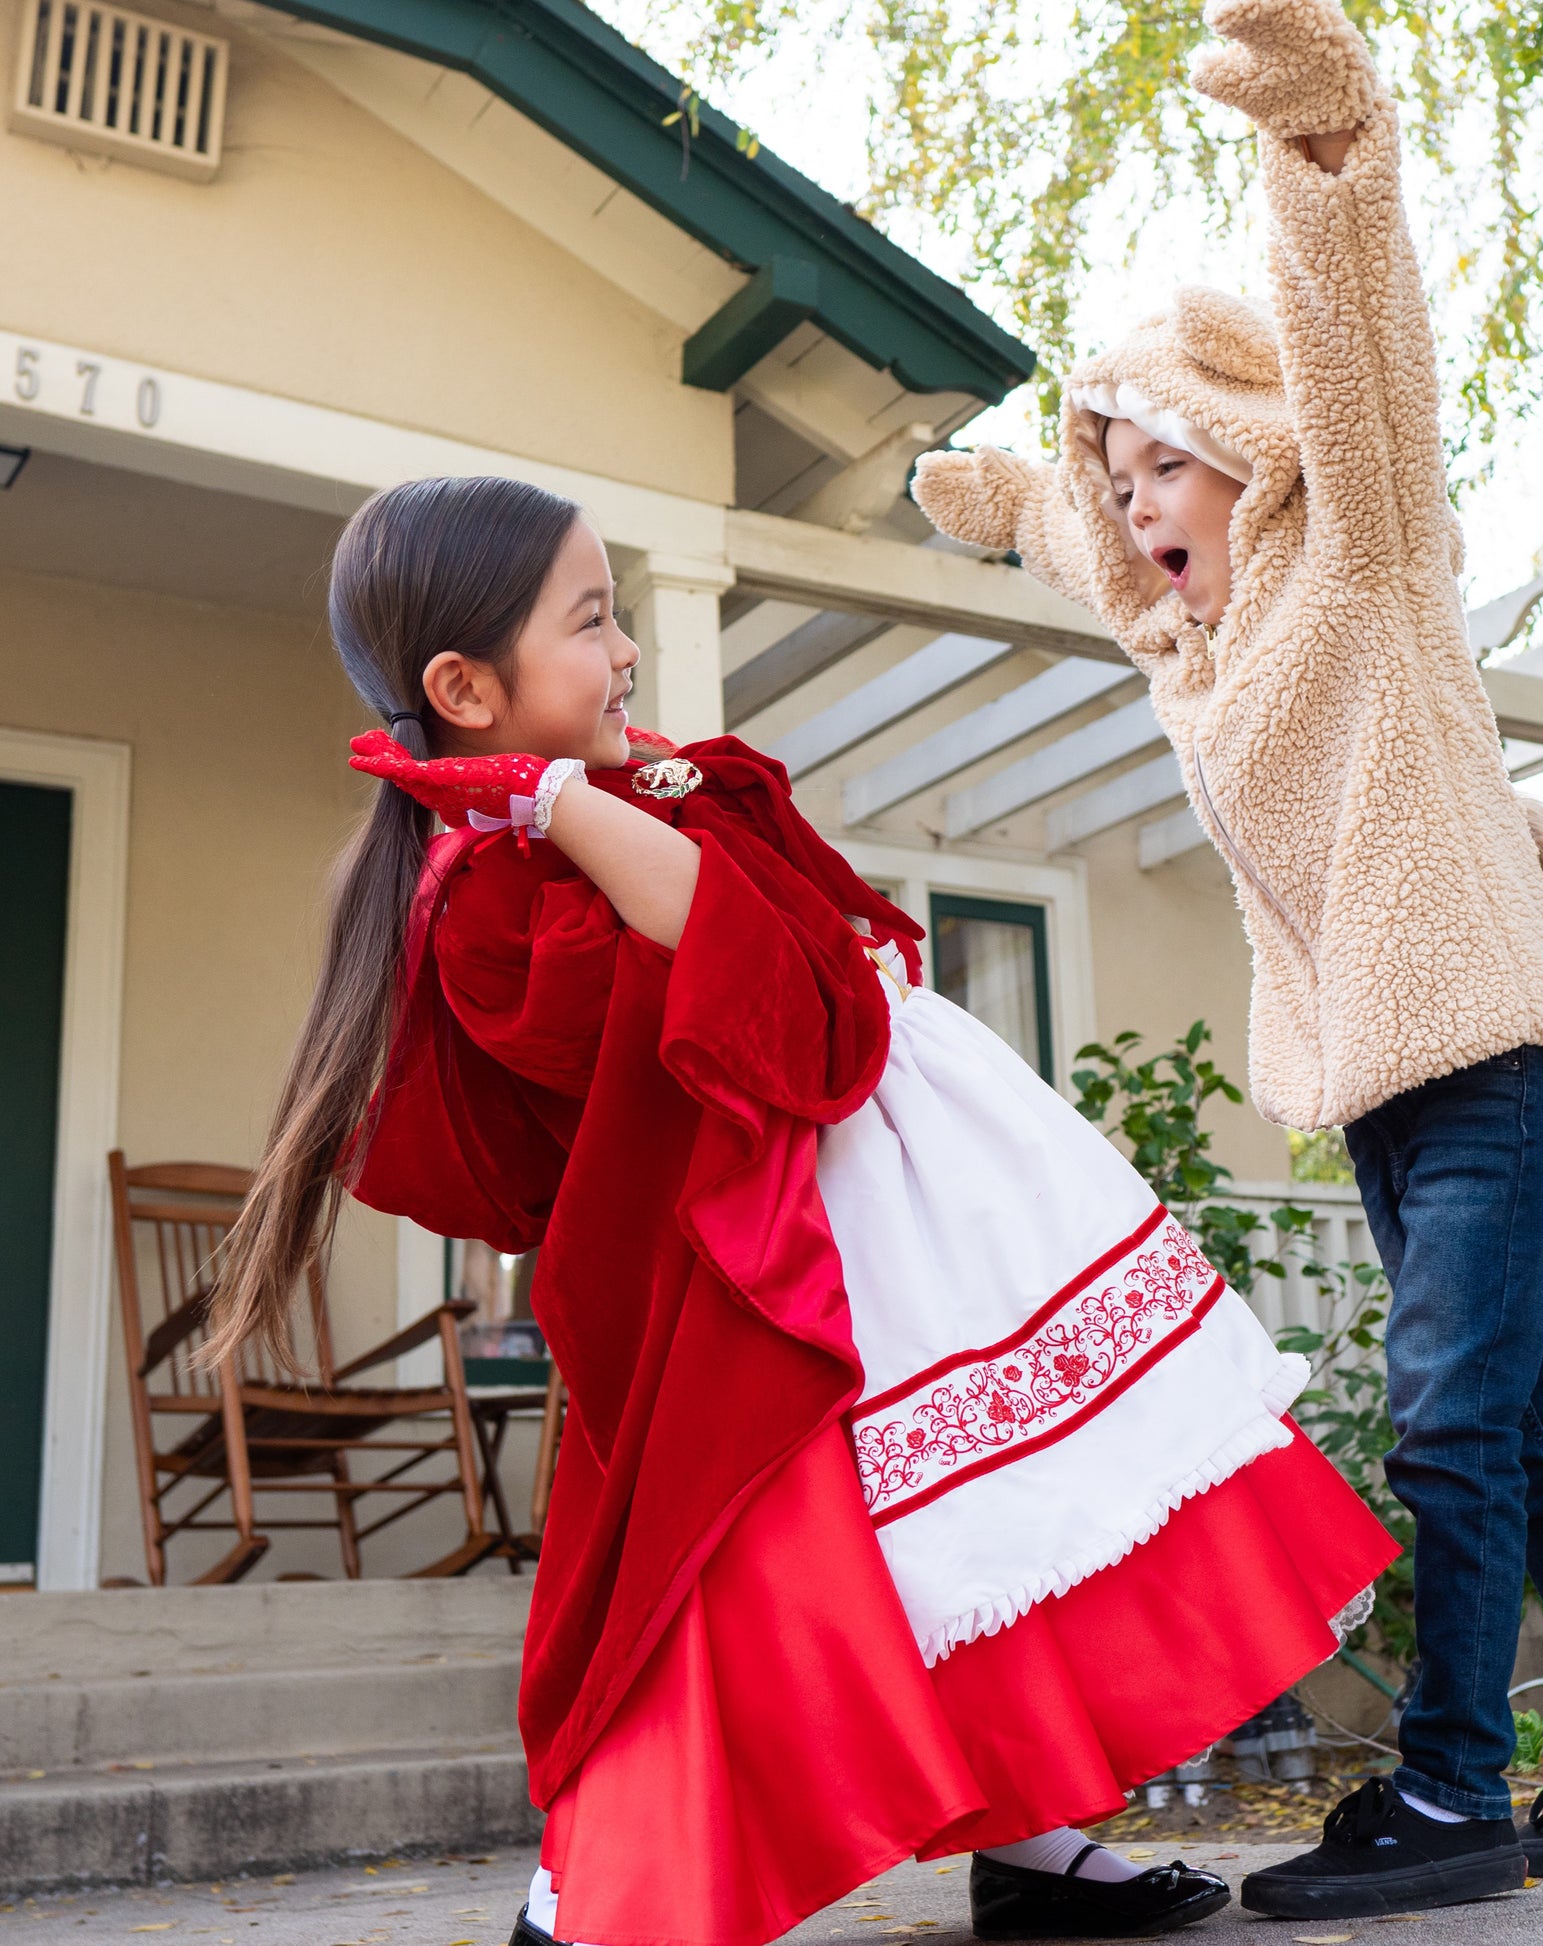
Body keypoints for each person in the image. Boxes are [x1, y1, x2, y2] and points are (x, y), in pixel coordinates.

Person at [207, 473, 1398, 1946]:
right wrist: (571, 801)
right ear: (464, 688)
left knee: (964, 1534)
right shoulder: (491, 899)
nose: (627, 650)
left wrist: (596, 790)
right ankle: (586, 1897)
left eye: (620, 613)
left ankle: (1031, 1843)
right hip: (751, 1281)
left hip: (885, 1240)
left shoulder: (581, 826)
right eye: (590, 621)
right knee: (737, 1576)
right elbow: (775, 999)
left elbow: (791, 927)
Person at [912, 0, 1543, 1921]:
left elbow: (1359, 340)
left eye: (1158, 471)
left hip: (1480, 1036)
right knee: (1513, 1414)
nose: (1133, 510)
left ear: (1240, 452)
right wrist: (1017, 496)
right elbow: (1092, 544)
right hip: (1374, 1066)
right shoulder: (1188, 650)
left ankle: (1449, 1789)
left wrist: (1328, 140)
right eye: (1111, 482)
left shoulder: (1358, 544)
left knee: (1448, 1401)